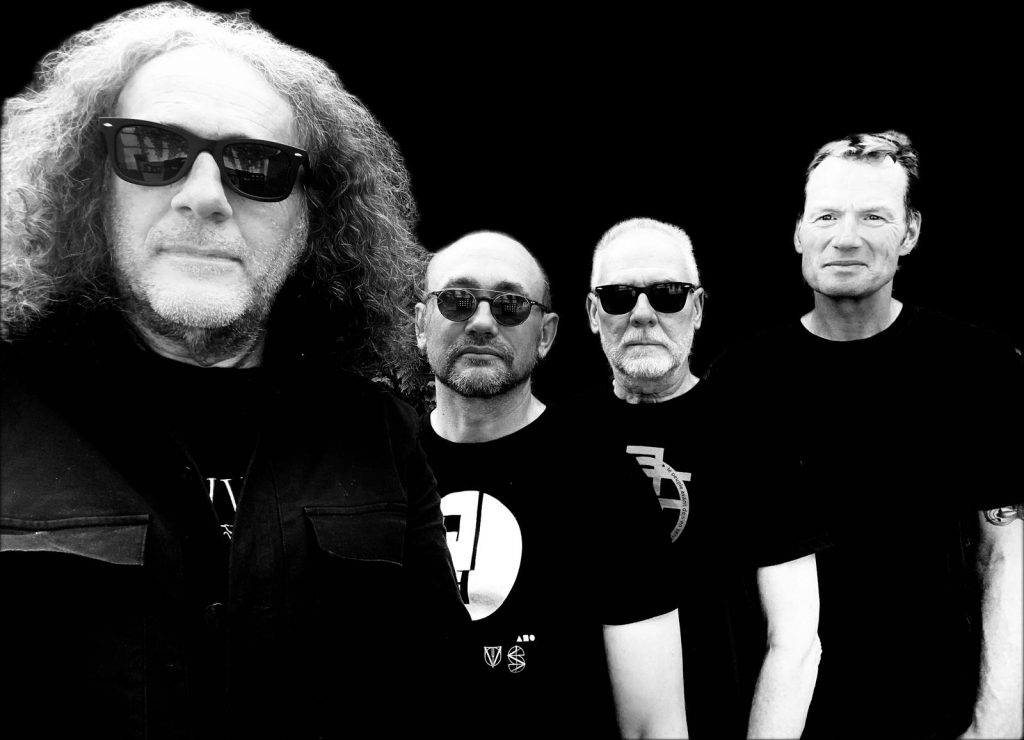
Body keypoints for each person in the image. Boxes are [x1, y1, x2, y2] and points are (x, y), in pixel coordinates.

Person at [0, 4, 467, 738]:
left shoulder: (379, 432)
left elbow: (442, 702)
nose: (204, 197)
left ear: (312, 216)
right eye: (153, 150)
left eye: (258, 167)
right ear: (90, 186)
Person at [711, 130, 1023, 739]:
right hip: (783, 718)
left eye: (873, 216)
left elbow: (1004, 553)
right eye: (826, 216)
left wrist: (996, 726)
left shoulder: (979, 367)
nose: (846, 237)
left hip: (935, 716)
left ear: (910, 232)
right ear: (799, 233)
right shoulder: (741, 377)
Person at [413, 230, 686, 738]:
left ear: (545, 335)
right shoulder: (381, 467)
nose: (482, 321)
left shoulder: (606, 480)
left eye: (511, 305)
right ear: (420, 324)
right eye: (457, 300)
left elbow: (654, 725)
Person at [579, 217, 827, 738]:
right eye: (618, 296)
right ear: (592, 313)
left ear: (697, 308)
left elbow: (797, 639)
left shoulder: (757, 436)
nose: (642, 314)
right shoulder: (563, 433)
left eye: (667, 295)